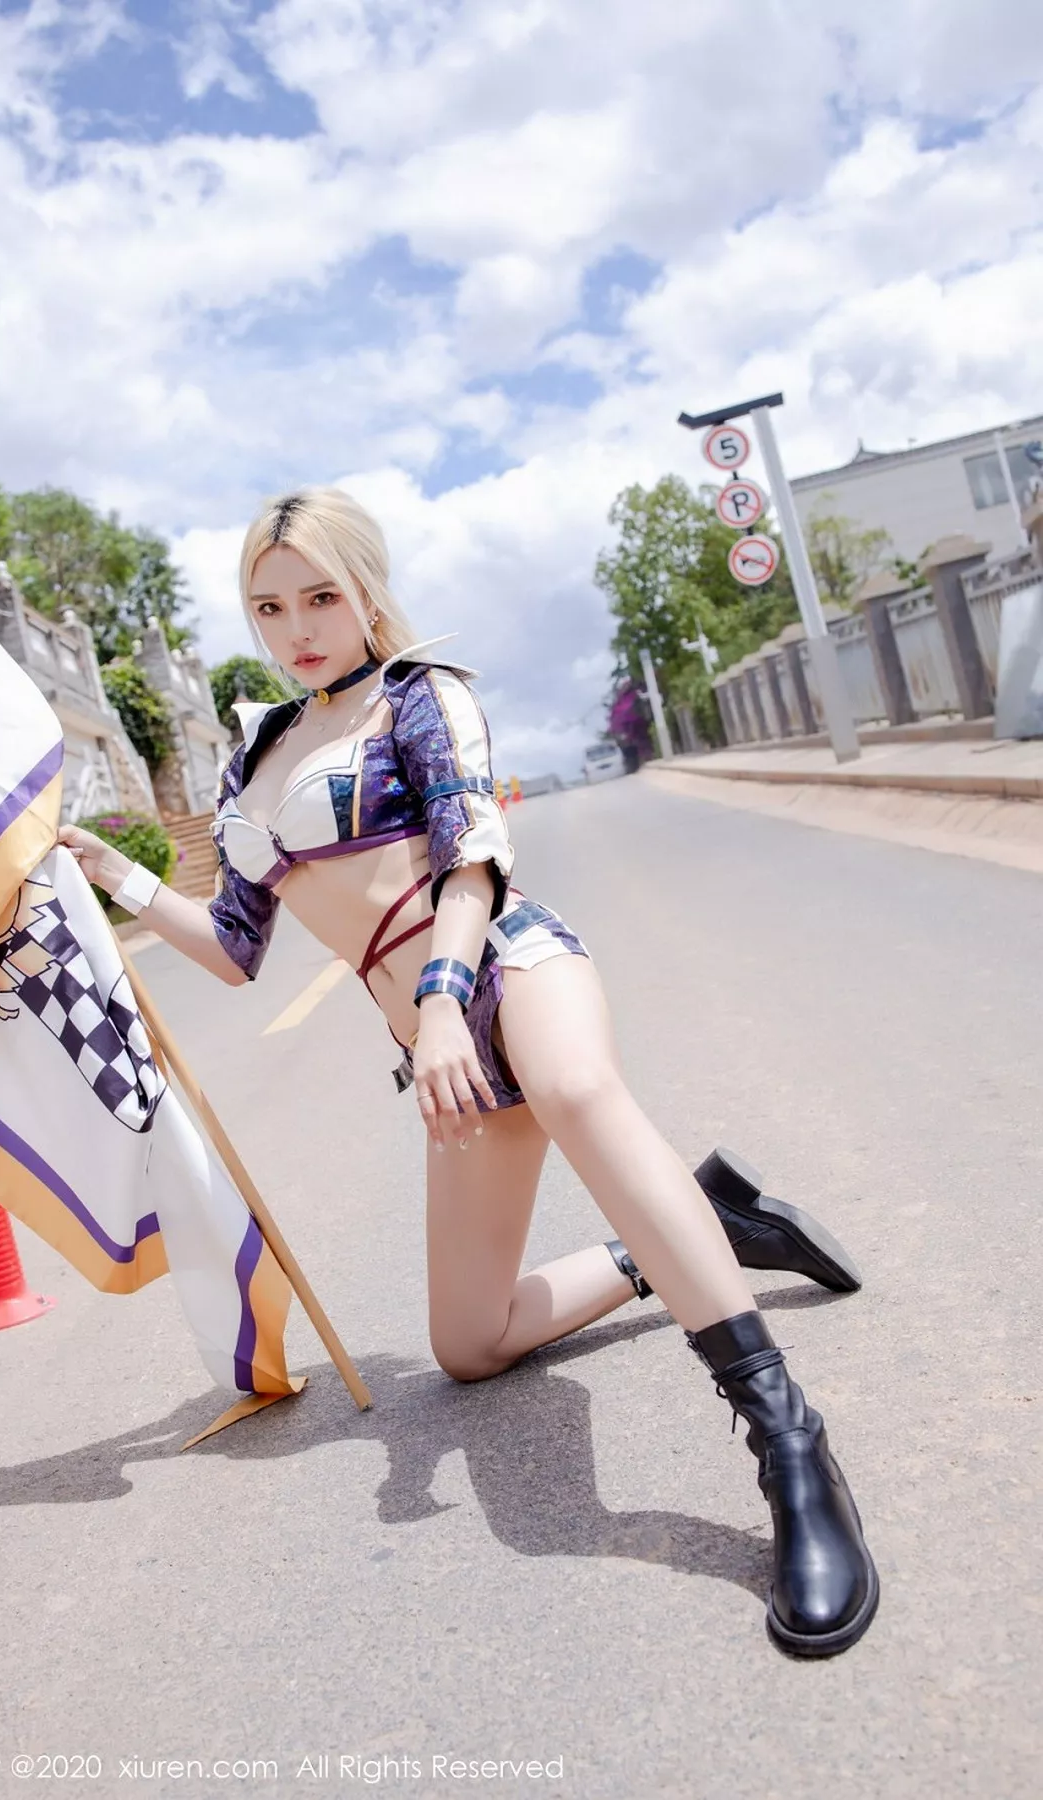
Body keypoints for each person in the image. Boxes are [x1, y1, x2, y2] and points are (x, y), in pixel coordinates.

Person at [59, 487, 879, 1657]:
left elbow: (471, 862)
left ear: (368, 590)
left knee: (578, 1092)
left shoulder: (419, 696)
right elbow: (236, 951)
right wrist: (115, 875)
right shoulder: (254, 757)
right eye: (269, 606)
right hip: (435, 1053)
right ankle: (697, 1226)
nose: (297, 627)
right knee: (470, 1346)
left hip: (502, 968)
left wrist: (444, 1001)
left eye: (321, 596)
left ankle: (792, 1449)